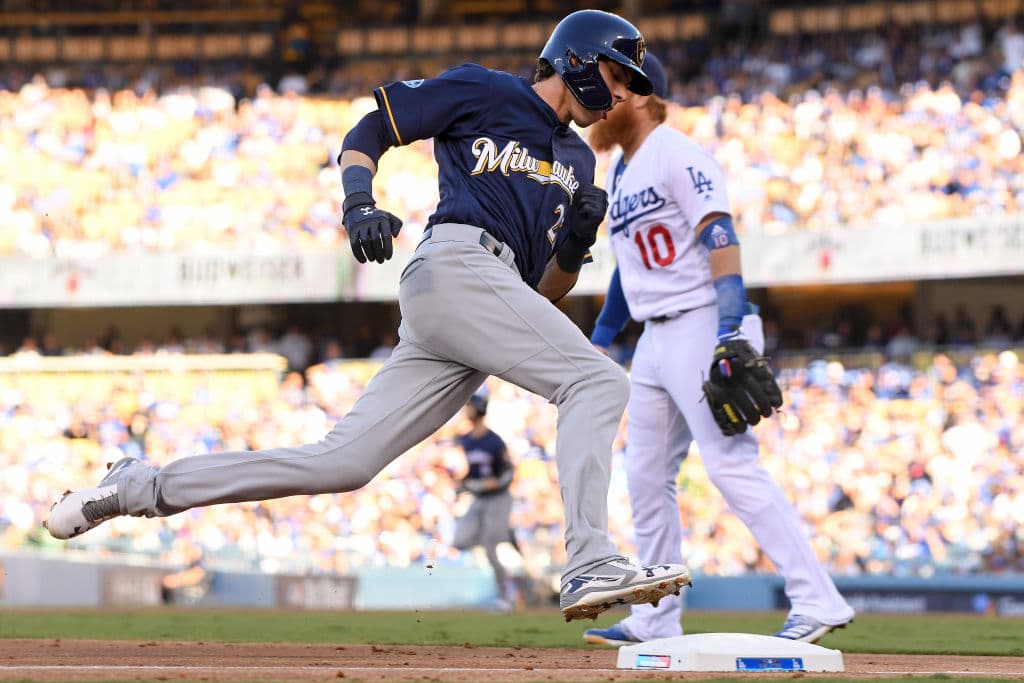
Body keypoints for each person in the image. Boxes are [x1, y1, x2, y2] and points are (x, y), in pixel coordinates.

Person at [45, 9, 691, 623]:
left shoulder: (579, 162)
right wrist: (358, 202)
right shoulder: (487, 89)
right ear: (575, 58)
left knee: (341, 464)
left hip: (482, 308)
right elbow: (369, 129)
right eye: (615, 74)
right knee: (599, 380)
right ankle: (588, 560)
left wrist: (575, 245)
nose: (621, 92)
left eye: (630, 84)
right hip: (457, 266)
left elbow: (540, 294)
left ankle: (140, 487)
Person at [581, 54, 855, 645]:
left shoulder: (678, 153)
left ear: (637, 92)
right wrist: (602, 339)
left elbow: (720, 235)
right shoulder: (622, 173)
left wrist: (731, 326)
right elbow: (629, 273)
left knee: (731, 466)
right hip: (655, 337)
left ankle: (817, 598)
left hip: (703, 320)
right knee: (646, 477)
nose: (598, 106)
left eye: (607, 91)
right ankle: (655, 617)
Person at [451, 392, 518, 612]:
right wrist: (463, 484)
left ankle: (506, 595)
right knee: (460, 540)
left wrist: (495, 483)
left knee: (490, 547)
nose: (466, 410)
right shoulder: (467, 440)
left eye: (469, 406)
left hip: (497, 498)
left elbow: (508, 472)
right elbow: (473, 472)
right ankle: (503, 533)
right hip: (480, 498)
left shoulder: (494, 440)